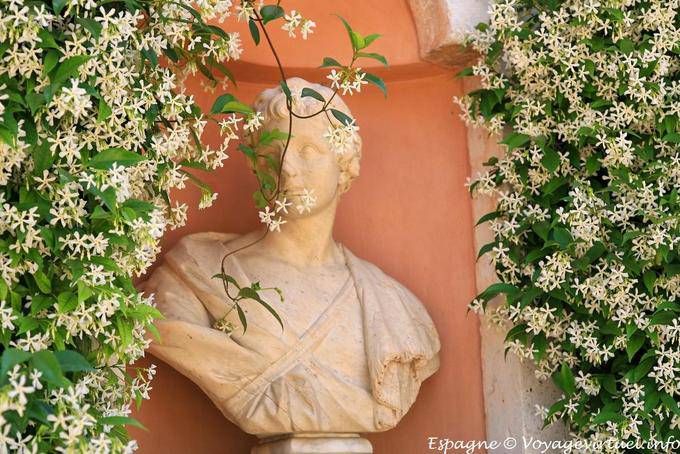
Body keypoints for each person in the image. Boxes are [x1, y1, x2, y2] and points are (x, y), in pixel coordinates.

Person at [140, 78, 440, 437]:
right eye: (272, 152)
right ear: (255, 165)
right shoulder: (196, 272)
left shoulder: (395, 309)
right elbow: (164, 327)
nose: (287, 169)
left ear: (345, 162)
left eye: (309, 150)